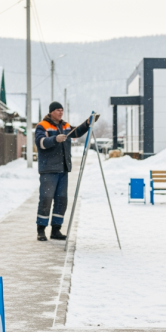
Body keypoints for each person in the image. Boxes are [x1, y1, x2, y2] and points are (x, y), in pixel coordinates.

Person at [34, 102, 99, 241]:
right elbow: (40, 142)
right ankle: (41, 230)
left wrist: (88, 123)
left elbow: (76, 132)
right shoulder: (43, 126)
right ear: (51, 111)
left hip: (63, 169)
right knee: (46, 199)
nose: (60, 112)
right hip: (48, 169)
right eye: (58, 110)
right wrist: (55, 139)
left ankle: (56, 230)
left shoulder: (65, 126)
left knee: (61, 200)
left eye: (62, 110)